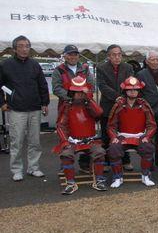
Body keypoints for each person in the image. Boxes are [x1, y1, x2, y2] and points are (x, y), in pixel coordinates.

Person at [0, 35, 49, 181]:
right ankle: (16, 170)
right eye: (21, 46)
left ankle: (33, 167)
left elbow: (42, 85)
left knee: (35, 141)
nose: (24, 49)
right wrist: (2, 102)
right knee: (17, 141)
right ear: (15, 48)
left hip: (34, 108)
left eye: (27, 46)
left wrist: (45, 103)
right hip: (16, 109)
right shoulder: (6, 65)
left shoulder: (34, 64)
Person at [53, 76, 108, 194]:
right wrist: (65, 142)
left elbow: (99, 113)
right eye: (76, 92)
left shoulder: (90, 105)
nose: (79, 95)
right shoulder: (67, 106)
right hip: (73, 140)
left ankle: (99, 180)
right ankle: (70, 183)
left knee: (100, 152)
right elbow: (60, 125)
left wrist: (88, 99)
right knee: (66, 155)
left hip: (90, 140)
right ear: (71, 92)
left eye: (81, 92)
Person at [106, 76, 157, 188]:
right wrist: (113, 136)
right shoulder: (118, 105)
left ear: (139, 91)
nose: (133, 92)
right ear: (125, 91)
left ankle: (146, 176)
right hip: (122, 136)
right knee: (114, 149)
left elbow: (151, 125)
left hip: (140, 136)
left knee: (148, 148)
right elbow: (111, 125)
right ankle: (117, 177)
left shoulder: (144, 105)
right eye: (130, 89)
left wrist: (147, 136)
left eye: (135, 89)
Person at [52, 44, 94, 172]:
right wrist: (71, 97)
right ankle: (65, 163)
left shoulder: (85, 69)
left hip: (84, 106)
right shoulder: (58, 70)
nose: (72, 56)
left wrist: (84, 96)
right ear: (65, 55)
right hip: (66, 105)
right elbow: (56, 88)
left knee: (86, 133)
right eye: (70, 54)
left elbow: (91, 85)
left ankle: (85, 164)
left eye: (75, 54)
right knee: (65, 133)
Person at [96, 44, 134, 170]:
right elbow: (102, 86)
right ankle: (107, 161)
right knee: (107, 134)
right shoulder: (101, 68)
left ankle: (125, 160)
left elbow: (130, 84)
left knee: (124, 132)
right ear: (109, 56)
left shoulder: (128, 67)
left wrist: (123, 98)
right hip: (108, 105)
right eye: (114, 54)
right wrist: (116, 97)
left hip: (124, 106)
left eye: (119, 54)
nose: (117, 57)